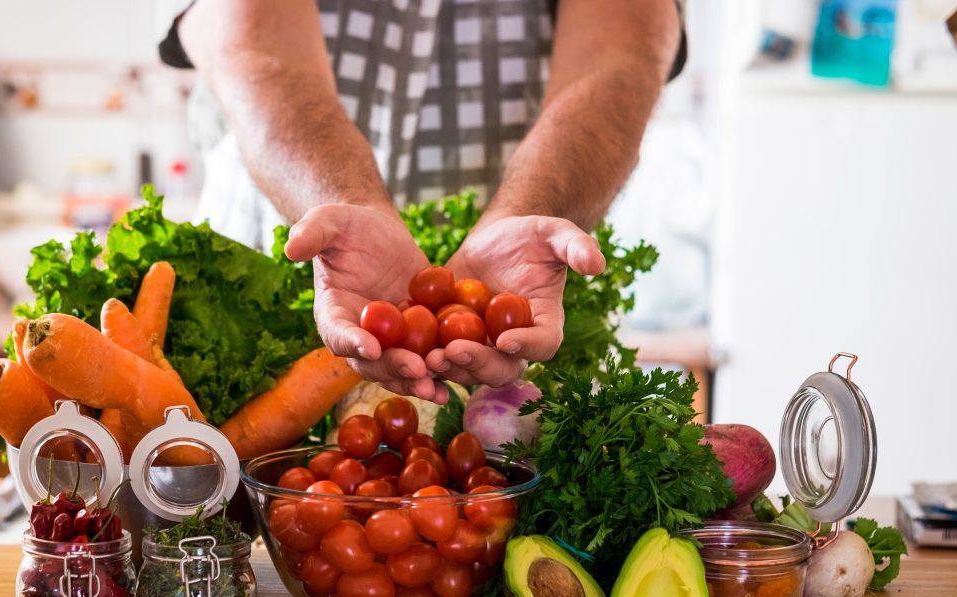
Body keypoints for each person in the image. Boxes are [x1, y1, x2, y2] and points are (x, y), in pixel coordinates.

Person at [161, 0, 685, 403]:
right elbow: (249, 37)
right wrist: (341, 202)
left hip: (530, 258)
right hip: (279, 231)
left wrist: (530, 211)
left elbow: (622, 46)